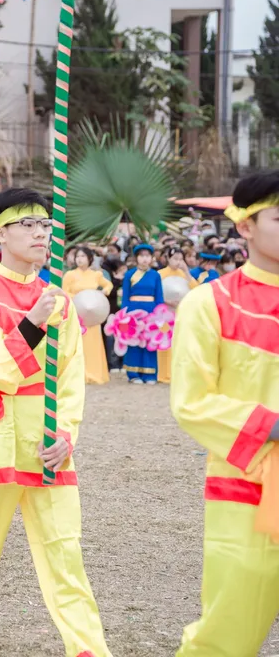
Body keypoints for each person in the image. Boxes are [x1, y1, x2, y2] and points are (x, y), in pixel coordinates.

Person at [0, 188, 110, 657]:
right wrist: (32, 324)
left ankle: (90, 650)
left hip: (48, 438)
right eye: (28, 224)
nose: (41, 232)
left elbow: (72, 375)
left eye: (45, 224)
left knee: (65, 552)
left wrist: (67, 433)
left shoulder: (57, 298)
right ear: (0, 232)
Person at [170, 170, 279, 656]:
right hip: (250, 481)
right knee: (230, 625)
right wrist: (271, 425)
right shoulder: (210, 303)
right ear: (246, 227)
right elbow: (192, 401)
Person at [62, 246, 114, 385]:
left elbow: (108, 285)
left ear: (90, 258)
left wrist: (103, 293)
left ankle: (95, 373)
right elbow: (64, 293)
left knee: (93, 344)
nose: (79, 259)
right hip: (77, 314)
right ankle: (79, 374)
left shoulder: (96, 275)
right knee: (78, 344)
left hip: (93, 315)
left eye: (83, 256)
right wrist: (79, 297)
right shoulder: (70, 275)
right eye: (77, 256)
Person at [123, 243, 164, 384]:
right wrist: (125, 315)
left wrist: (161, 315)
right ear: (136, 258)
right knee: (134, 341)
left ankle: (150, 374)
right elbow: (125, 297)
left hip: (151, 312)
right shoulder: (129, 274)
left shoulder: (156, 275)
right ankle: (133, 374)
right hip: (134, 311)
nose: (144, 259)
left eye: (147, 256)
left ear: (152, 258)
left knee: (150, 341)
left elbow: (159, 296)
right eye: (141, 256)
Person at [158, 246, 197, 383]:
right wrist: (167, 301)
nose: (178, 262)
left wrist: (187, 272)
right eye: (175, 259)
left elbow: (196, 290)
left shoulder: (185, 274)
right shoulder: (160, 274)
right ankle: (164, 372)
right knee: (165, 341)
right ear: (168, 258)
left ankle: (180, 372)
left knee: (180, 342)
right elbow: (156, 293)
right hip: (165, 312)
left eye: (181, 259)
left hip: (181, 312)